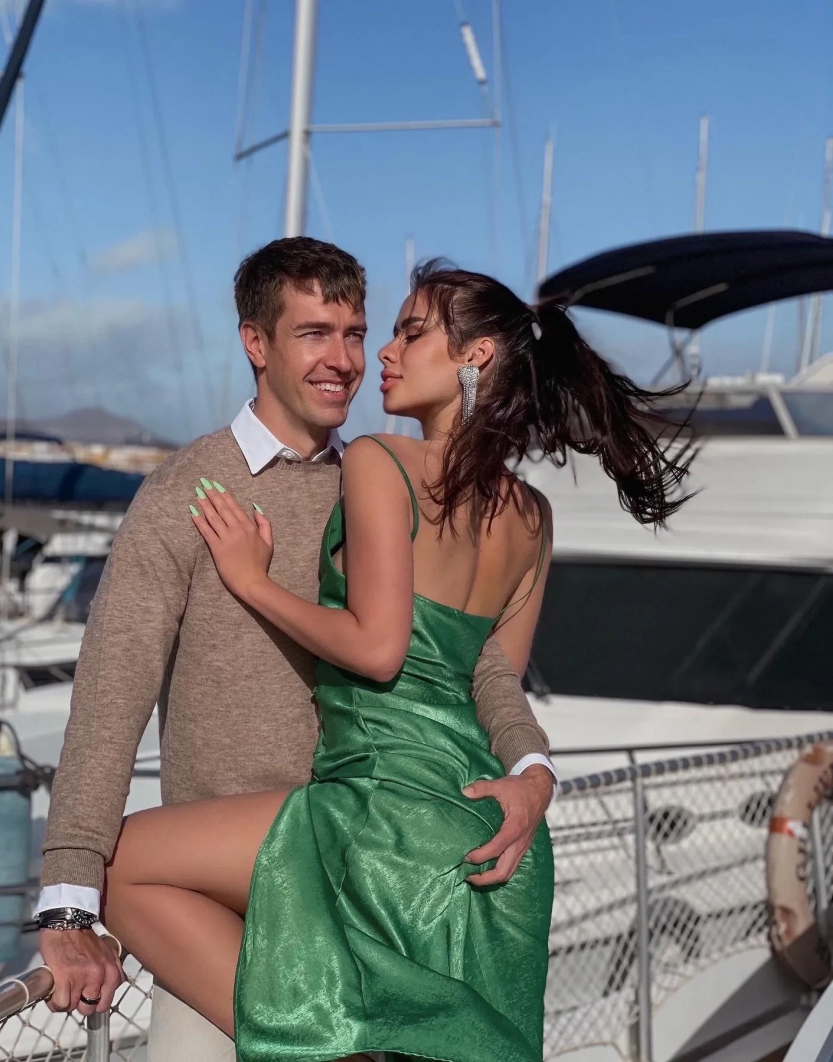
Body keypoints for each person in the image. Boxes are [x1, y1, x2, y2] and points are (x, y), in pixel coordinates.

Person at [100, 260, 692, 1062]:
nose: (383, 351)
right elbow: (494, 677)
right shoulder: (534, 516)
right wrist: (535, 776)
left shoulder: (380, 461)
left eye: (411, 333)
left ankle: (330, 1040)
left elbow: (379, 651)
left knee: (116, 866)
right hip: (483, 822)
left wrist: (253, 582)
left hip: (383, 812)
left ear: (476, 358)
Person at [35, 241, 558, 1062]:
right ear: (256, 343)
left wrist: (533, 773)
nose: (345, 360)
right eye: (315, 334)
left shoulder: (381, 480)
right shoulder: (186, 494)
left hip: (364, 888)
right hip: (218, 909)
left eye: (356, 334)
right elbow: (110, 699)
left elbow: (473, 662)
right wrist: (69, 905)